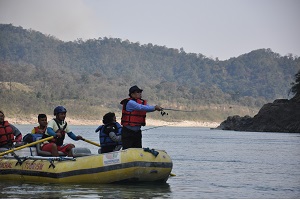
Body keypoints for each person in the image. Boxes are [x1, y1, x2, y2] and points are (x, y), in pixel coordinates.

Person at [120, 85, 162, 149]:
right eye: (138, 92)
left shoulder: (142, 102)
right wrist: (155, 107)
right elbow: (141, 107)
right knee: (127, 148)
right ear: (132, 94)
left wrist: (155, 108)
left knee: (138, 148)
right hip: (128, 131)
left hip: (137, 132)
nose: (140, 93)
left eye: (140, 92)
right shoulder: (130, 103)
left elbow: (147, 108)